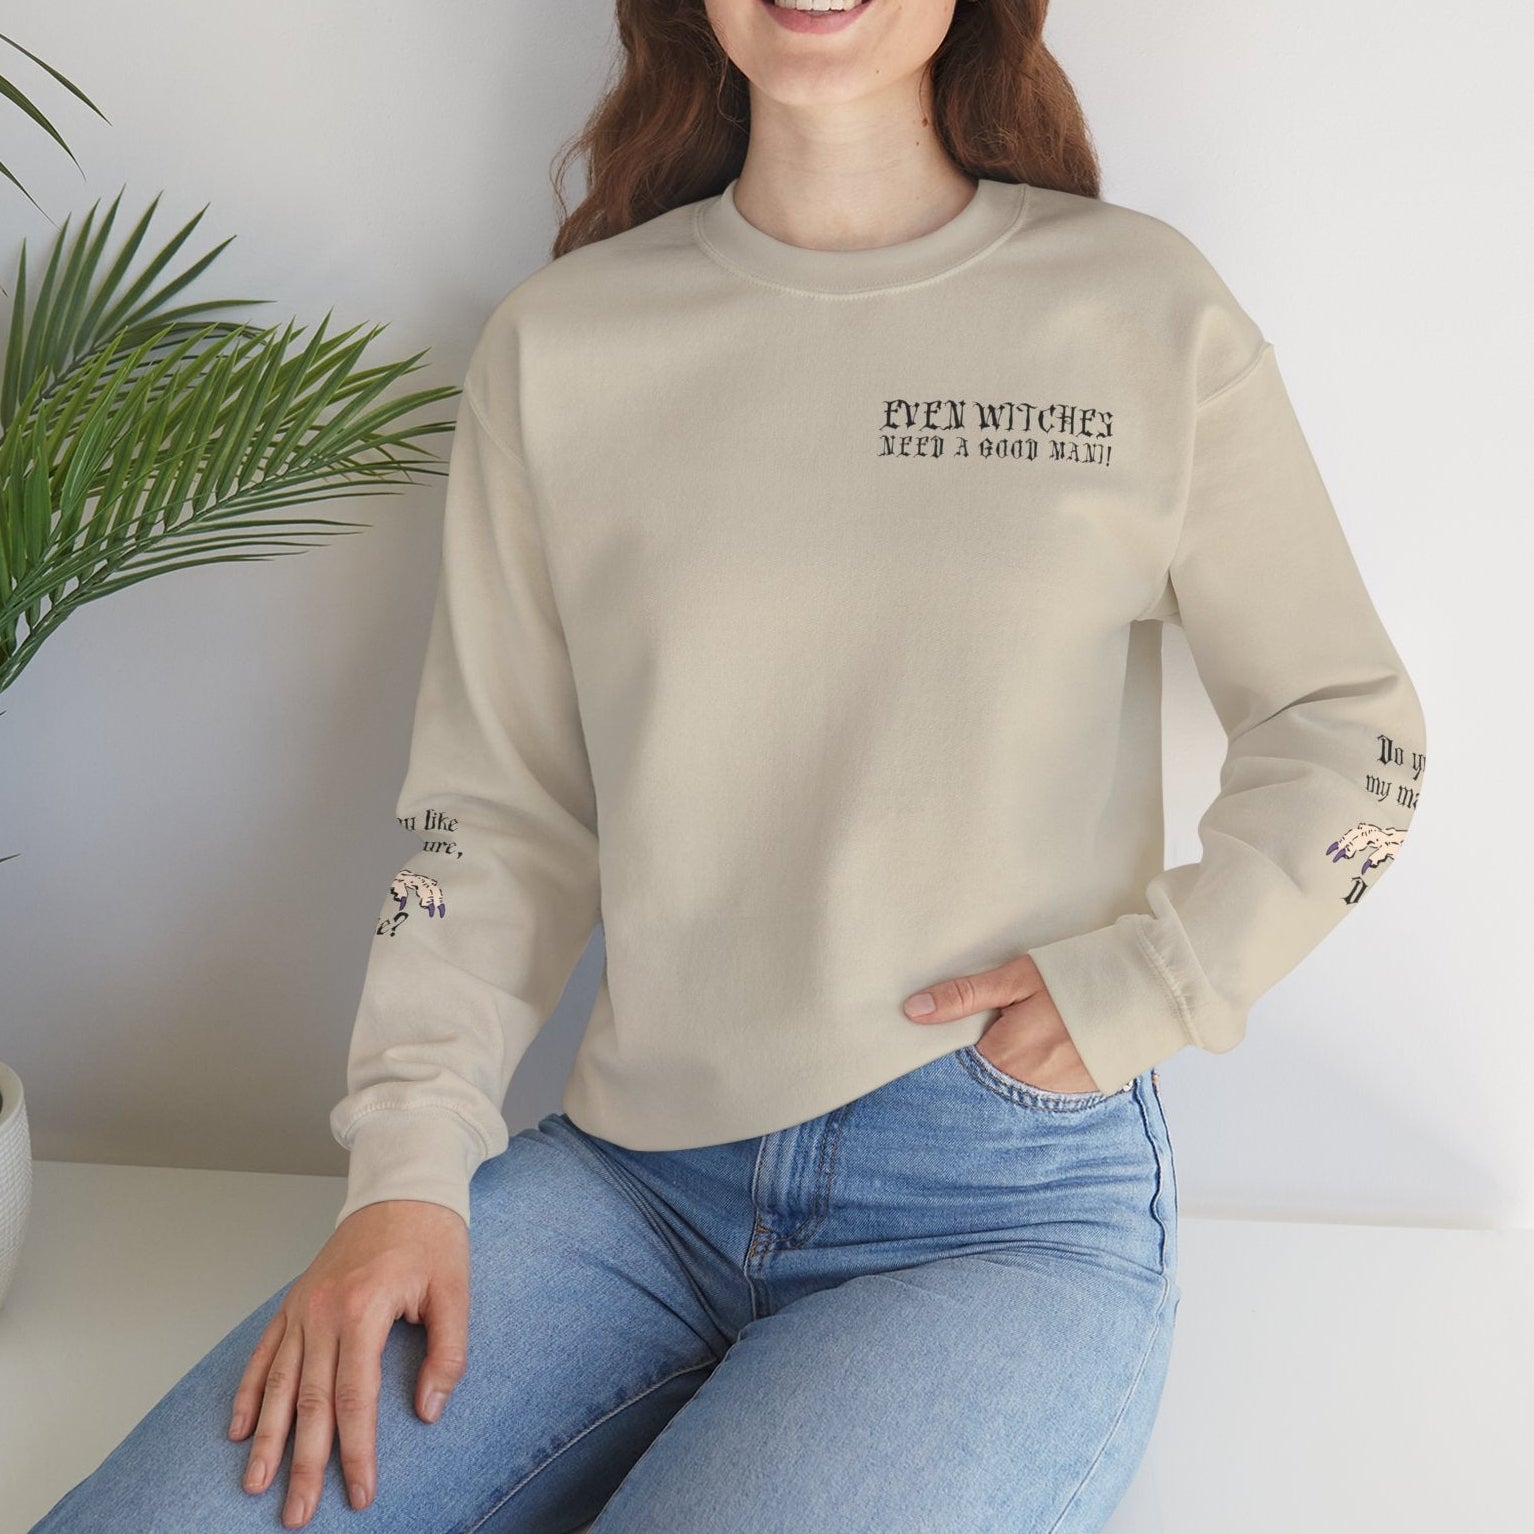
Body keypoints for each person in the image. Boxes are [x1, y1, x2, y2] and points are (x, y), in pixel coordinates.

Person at [30, 0, 1429, 1530]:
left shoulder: (1140, 309)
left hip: (991, 1208)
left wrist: (1152, 986)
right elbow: (498, 817)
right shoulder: (562, 345)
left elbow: (1352, 732)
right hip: (631, 1181)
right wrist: (406, 1173)